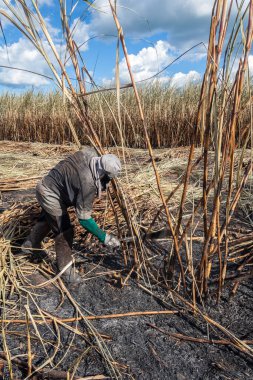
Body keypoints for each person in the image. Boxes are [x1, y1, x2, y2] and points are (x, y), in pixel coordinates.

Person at [22, 147, 121, 284]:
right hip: (50, 194)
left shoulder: (89, 153)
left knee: (49, 220)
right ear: (101, 173)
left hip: (48, 183)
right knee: (64, 231)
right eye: (106, 179)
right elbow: (84, 219)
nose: (107, 182)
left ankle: (29, 246)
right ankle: (65, 271)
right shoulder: (87, 183)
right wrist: (104, 237)